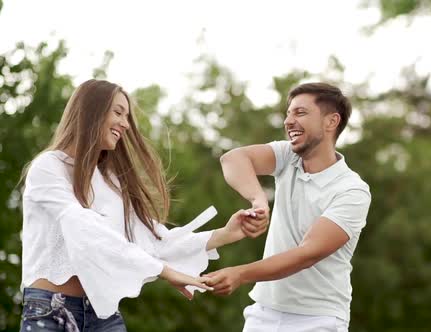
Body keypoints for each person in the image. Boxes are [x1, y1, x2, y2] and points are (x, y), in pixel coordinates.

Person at [19, 79, 267, 332]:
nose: (125, 124)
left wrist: (224, 234)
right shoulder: (49, 168)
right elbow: (85, 228)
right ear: (90, 112)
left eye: (127, 116)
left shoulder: (109, 182)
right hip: (51, 311)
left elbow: (152, 240)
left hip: (102, 314)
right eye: (118, 112)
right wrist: (163, 271)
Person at [206, 82, 371, 331]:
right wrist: (259, 201)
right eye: (288, 113)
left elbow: (306, 254)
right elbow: (233, 159)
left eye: (300, 113)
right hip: (263, 313)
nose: (288, 121)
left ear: (331, 121)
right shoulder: (288, 156)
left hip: (318, 320)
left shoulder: (352, 190)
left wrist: (240, 274)